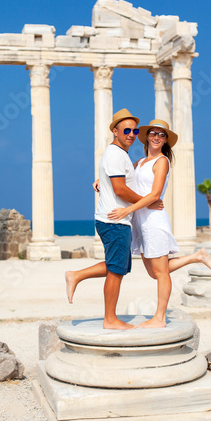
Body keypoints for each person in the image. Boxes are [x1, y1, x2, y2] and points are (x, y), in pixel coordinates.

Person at [107, 119, 211, 328]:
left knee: (160, 273)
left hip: (154, 220)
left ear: (165, 140)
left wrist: (127, 210)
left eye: (161, 135)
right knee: (153, 272)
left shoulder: (162, 161)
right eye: (153, 133)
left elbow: (155, 194)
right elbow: (119, 178)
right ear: (147, 136)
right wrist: (100, 181)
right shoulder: (139, 162)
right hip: (141, 222)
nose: (156, 137)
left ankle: (159, 318)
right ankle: (197, 256)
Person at [65, 109, 163, 330]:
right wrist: (148, 201)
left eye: (135, 130)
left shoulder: (119, 154)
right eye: (126, 130)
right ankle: (110, 319)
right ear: (115, 131)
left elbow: (116, 182)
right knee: (117, 271)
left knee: (117, 266)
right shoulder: (116, 154)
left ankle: (76, 275)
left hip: (114, 219)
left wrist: (101, 180)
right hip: (115, 220)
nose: (131, 134)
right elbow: (120, 190)